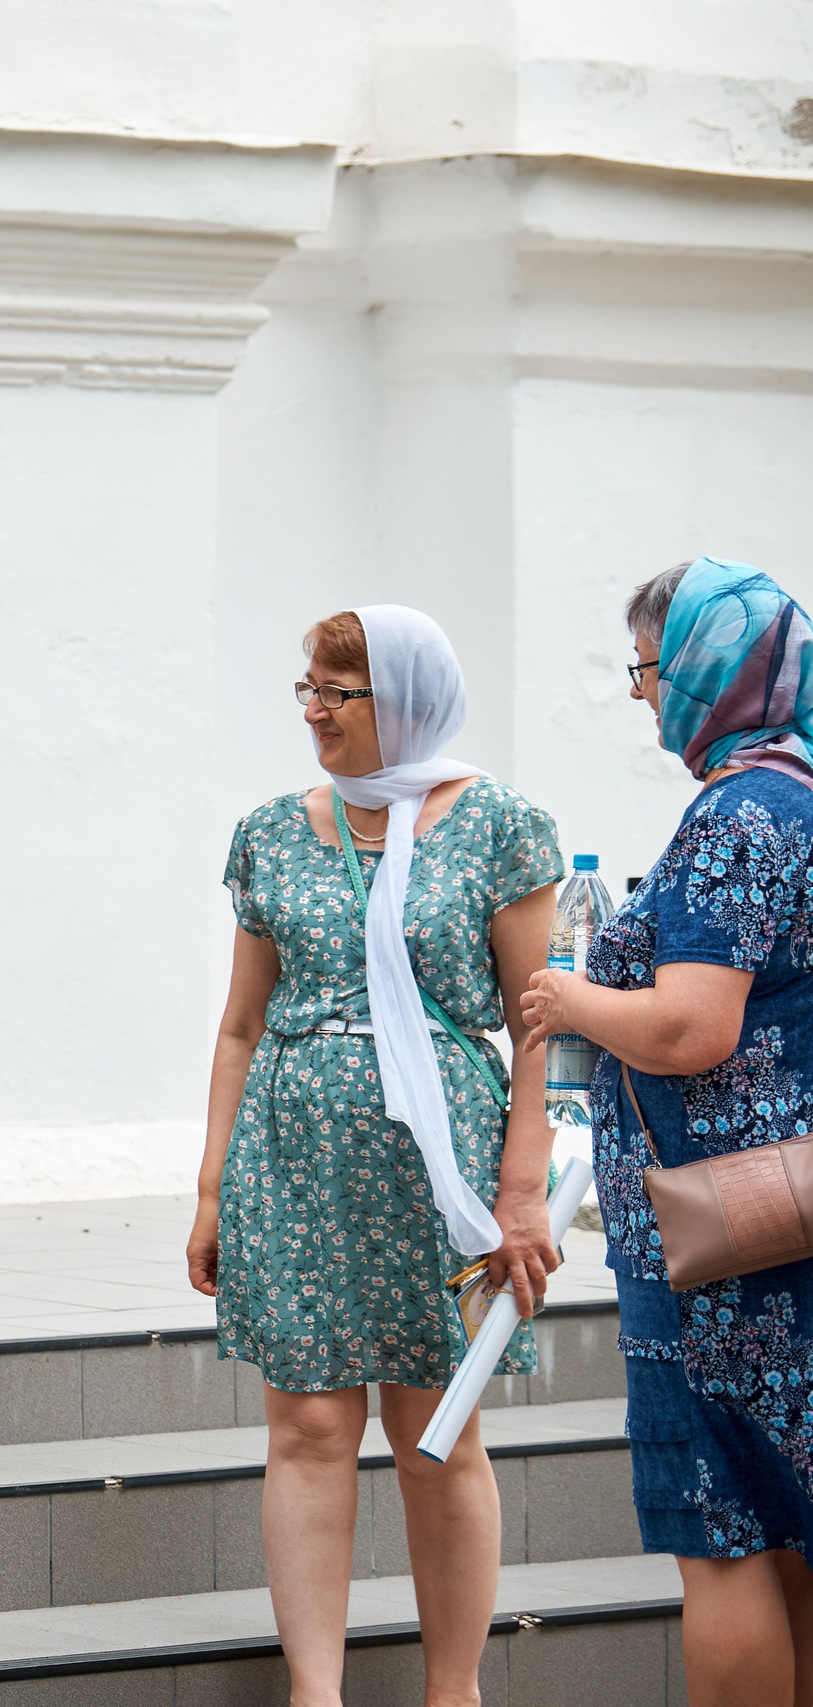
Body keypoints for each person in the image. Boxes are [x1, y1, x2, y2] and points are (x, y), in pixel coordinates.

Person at [187, 606, 563, 1706]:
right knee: (306, 1424)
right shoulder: (269, 831)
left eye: (336, 694)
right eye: (303, 688)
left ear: (401, 700)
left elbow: (540, 1022)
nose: (312, 711)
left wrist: (523, 1191)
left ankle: (454, 1692)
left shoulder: (501, 828)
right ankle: (318, 1694)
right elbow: (241, 1025)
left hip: (442, 1170)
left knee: (433, 1429)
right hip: (292, 1155)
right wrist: (212, 1188)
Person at [523, 558, 813, 1707]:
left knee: (725, 1530)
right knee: (791, 1530)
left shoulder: (741, 812)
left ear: (704, 669)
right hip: (785, 1210)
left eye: (648, 669)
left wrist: (565, 999)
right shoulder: (801, 793)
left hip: (719, 1245)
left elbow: (691, 1027)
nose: (643, 697)